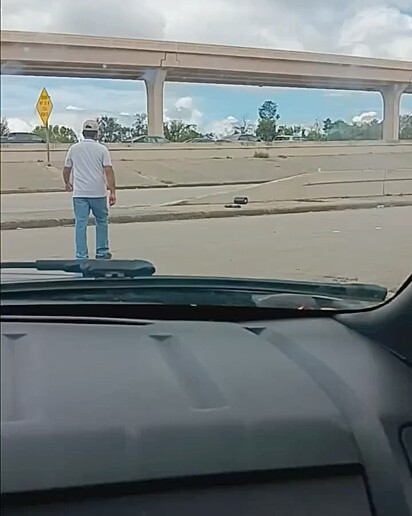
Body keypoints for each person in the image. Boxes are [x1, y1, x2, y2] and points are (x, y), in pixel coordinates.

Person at [63, 120, 116, 259]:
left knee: (80, 224)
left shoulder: (74, 148)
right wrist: (112, 191)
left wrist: (67, 183)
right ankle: (102, 252)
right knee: (101, 221)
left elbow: (67, 168)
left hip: (80, 193)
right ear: (96, 134)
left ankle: (81, 255)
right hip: (98, 192)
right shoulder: (102, 149)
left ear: (83, 133)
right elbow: (108, 170)